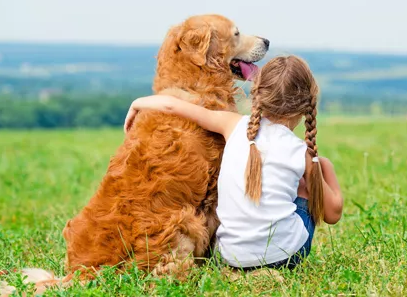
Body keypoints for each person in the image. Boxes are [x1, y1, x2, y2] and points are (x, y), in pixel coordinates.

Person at [123, 55, 343, 270]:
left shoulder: (231, 125)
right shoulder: (301, 152)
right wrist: (323, 165)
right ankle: (276, 245)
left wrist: (138, 103)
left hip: (229, 256)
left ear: (257, 94)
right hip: (285, 257)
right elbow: (333, 214)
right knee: (304, 184)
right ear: (307, 104)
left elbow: (172, 106)